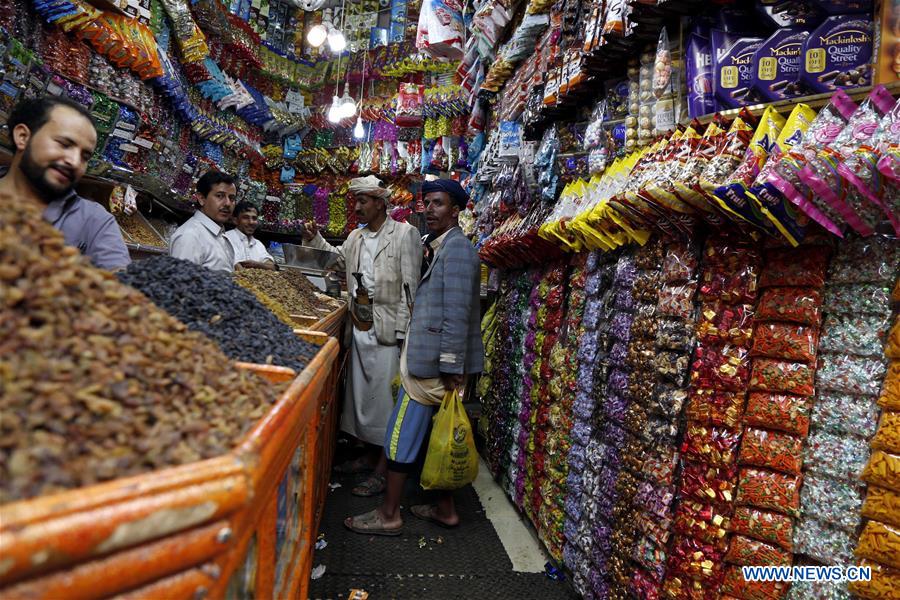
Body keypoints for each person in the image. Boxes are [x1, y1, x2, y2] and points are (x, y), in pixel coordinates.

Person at [344, 178, 484, 536]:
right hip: (434, 360)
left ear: (456, 210)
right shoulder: (444, 246)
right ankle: (445, 509)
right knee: (437, 433)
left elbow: (456, 313)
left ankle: (389, 514)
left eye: (438, 204)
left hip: (432, 365)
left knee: (399, 434)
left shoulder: (458, 250)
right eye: (427, 203)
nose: (430, 210)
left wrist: (452, 366)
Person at [301, 175, 422, 497]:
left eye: (362, 202)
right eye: (355, 201)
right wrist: (315, 239)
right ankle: (369, 456)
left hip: (389, 331)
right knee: (362, 399)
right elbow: (337, 260)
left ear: (380, 203)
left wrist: (402, 334)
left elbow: (410, 288)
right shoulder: (355, 237)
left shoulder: (405, 234)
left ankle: (384, 468)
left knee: (385, 401)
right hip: (360, 326)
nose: (356, 207)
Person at [0, 96, 130, 270]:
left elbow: (121, 285)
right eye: (64, 144)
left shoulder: (94, 221)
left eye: (85, 157)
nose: (74, 162)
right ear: (23, 136)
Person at [170, 171, 236, 272]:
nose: (227, 203)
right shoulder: (190, 237)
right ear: (201, 198)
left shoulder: (219, 234)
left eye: (232, 198)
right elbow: (180, 283)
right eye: (219, 196)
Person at [225, 200, 276, 270]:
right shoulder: (226, 238)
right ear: (235, 220)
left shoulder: (258, 244)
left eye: (254, 218)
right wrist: (261, 266)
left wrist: (256, 264)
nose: (251, 222)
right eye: (245, 217)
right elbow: (237, 267)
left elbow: (272, 267)